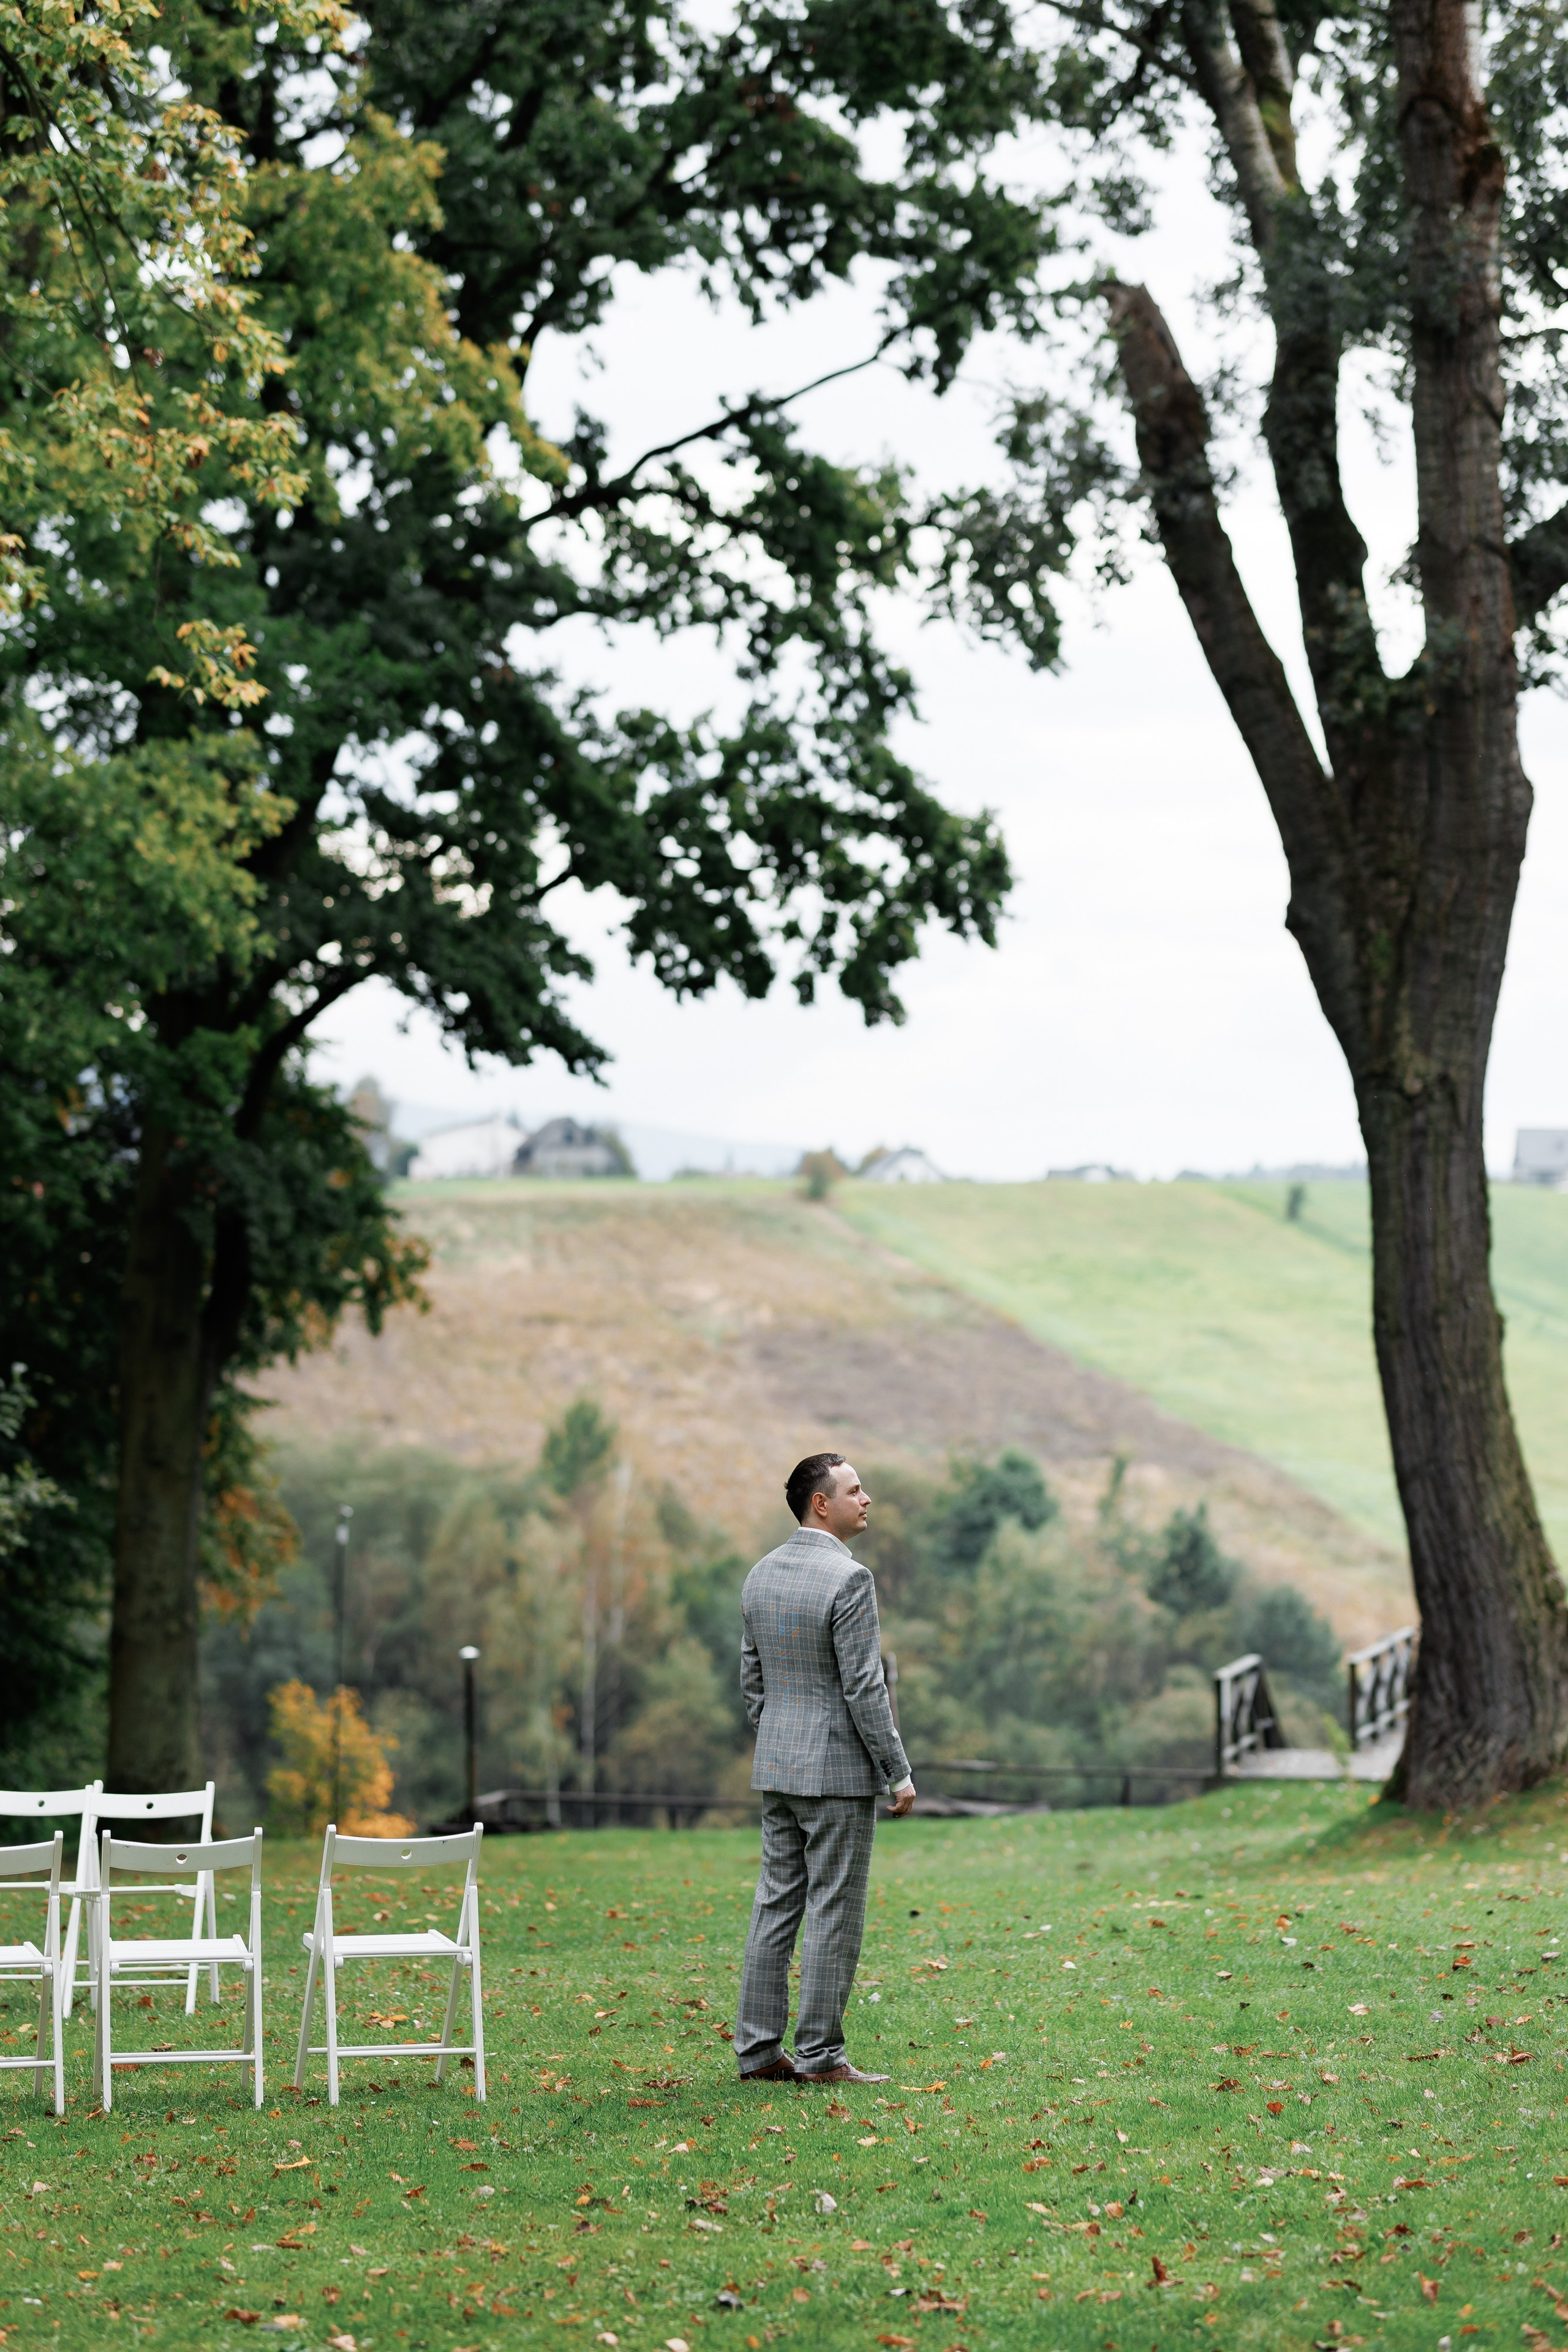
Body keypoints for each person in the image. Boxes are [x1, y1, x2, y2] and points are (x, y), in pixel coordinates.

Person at [734, 1452, 916, 2085]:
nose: (866, 1499)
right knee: (835, 1911)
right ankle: (819, 2057)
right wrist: (897, 1770)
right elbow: (865, 1689)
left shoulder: (759, 1575)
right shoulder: (850, 1581)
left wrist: (782, 1736)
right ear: (821, 1503)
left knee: (774, 1906)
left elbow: (752, 1681)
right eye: (855, 1490)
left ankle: (757, 2054)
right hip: (837, 1771)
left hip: (778, 1767)